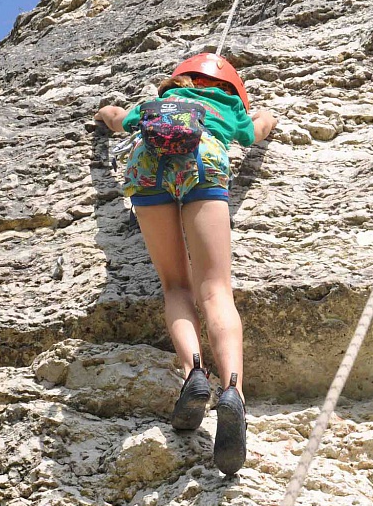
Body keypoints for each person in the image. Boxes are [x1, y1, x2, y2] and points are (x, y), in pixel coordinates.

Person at [94, 53, 277, 475]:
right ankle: (232, 392)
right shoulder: (228, 106)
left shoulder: (157, 105)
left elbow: (117, 118)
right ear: (233, 88)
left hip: (146, 168)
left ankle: (193, 372)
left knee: (176, 285)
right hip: (203, 162)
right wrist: (268, 116)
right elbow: (256, 133)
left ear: (177, 80)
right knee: (215, 289)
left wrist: (101, 115)